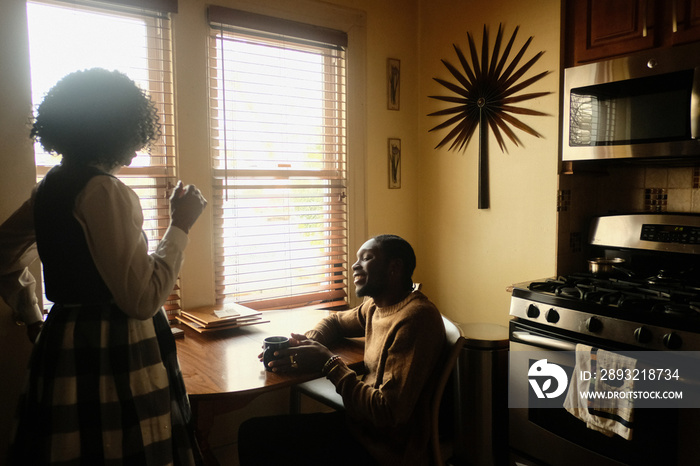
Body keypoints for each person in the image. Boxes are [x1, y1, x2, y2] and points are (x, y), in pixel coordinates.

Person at [0, 68, 207, 465]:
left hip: (63, 342)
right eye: (134, 134)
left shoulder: (49, 188)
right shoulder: (105, 192)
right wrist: (180, 224)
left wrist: (30, 313)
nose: (137, 148)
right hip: (115, 348)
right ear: (113, 129)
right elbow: (142, 299)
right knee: (124, 446)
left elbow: (1, 254)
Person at [238, 234, 447, 466]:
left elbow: (387, 413)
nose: (354, 265)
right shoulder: (376, 306)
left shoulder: (415, 319)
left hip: (384, 449)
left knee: (255, 437)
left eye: (366, 258)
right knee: (253, 432)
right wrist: (308, 345)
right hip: (360, 426)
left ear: (394, 268)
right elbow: (335, 321)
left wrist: (329, 363)